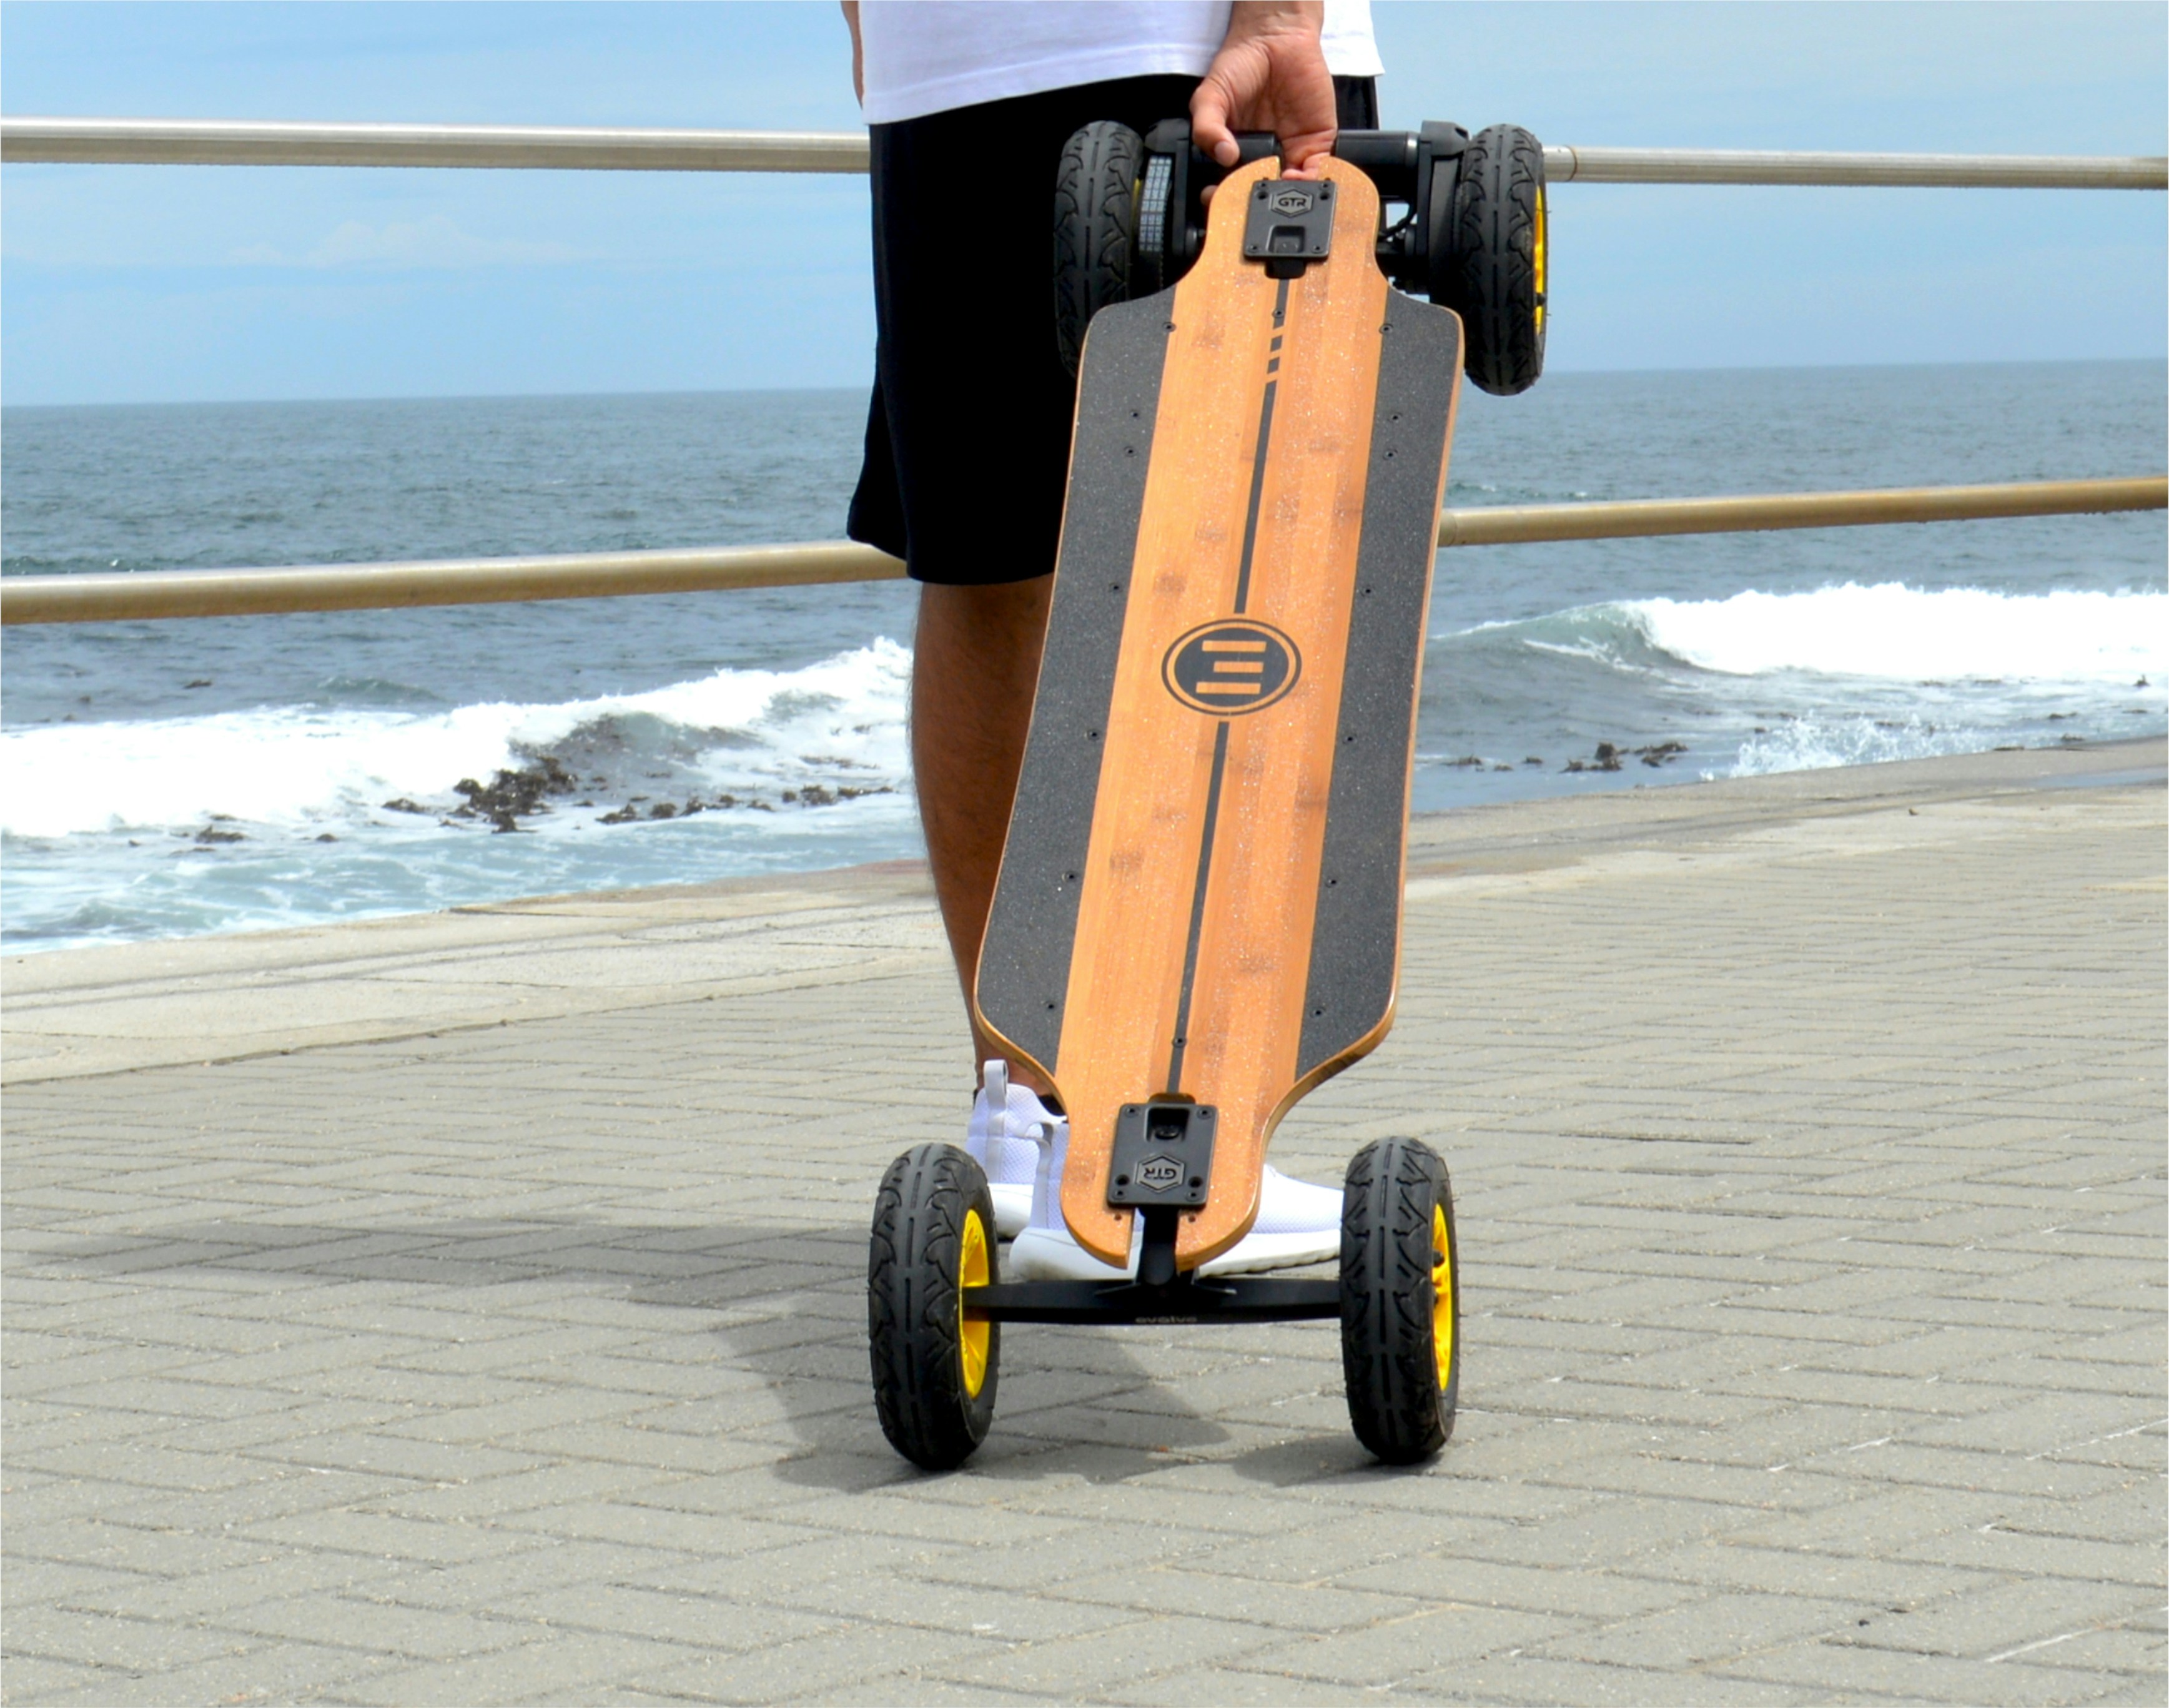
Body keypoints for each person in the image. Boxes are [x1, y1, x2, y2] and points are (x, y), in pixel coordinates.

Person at [839, 1, 1381, 1277]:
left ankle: (1032, 1115)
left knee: (993, 559)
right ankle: (1188, 1131)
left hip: (959, 58)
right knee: (1245, 559)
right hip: (1181, 45)